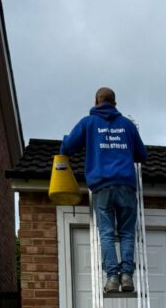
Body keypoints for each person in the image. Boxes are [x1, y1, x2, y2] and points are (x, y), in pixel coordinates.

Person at [61, 87, 148, 293]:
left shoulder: (88, 123)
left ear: (96, 101)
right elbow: (142, 155)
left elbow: (67, 147)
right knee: (127, 233)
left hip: (102, 187)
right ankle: (127, 276)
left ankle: (112, 278)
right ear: (114, 103)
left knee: (107, 233)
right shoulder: (127, 125)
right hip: (126, 186)